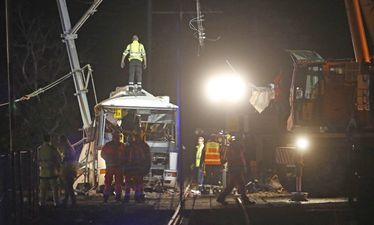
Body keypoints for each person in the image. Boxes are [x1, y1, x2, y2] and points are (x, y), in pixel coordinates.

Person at [216, 136, 254, 205]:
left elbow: (229, 158)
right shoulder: (236, 149)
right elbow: (238, 158)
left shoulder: (233, 148)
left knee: (231, 185)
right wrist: (243, 166)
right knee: (241, 184)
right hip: (236, 168)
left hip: (235, 167)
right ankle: (245, 199)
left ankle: (221, 198)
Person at [123, 129, 151, 203]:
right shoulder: (144, 146)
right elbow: (148, 158)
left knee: (128, 183)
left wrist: (123, 167)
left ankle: (127, 196)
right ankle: (138, 196)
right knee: (138, 183)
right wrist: (147, 168)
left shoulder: (128, 145)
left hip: (129, 168)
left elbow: (123, 157)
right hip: (139, 168)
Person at [101, 131, 126, 202]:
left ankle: (107, 197)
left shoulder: (108, 145)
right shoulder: (121, 146)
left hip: (113, 167)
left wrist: (108, 159)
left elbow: (103, 154)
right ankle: (115, 197)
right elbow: (125, 156)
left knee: (111, 182)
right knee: (114, 182)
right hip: (116, 167)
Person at [37, 134, 61, 206]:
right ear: (50, 139)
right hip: (52, 171)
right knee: (54, 188)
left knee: (42, 189)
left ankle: (42, 202)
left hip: (43, 171)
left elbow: (38, 160)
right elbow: (58, 158)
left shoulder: (39, 149)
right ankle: (56, 202)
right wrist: (58, 168)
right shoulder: (53, 148)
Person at [58, 135, 77, 206]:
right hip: (70, 169)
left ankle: (72, 200)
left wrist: (62, 161)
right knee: (68, 186)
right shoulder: (70, 148)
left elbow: (67, 159)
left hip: (68, 169)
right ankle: (67, 200)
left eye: (60, 140)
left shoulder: (67, 149)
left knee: (68, 186)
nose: (59, 142)